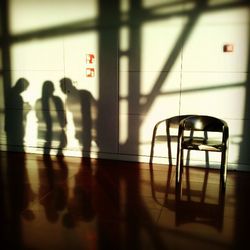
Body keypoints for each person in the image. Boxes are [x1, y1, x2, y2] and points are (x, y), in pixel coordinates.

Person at [60, 77, 96, 158]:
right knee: (87, 149)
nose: (61, 90)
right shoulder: (84, 93)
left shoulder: (70, 98)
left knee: (85, 149)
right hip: (86, 127)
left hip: (86, 127)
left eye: (61, 86)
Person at [35, 81, 67, 155]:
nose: (53, 89)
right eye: (52, 87)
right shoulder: (57, 100)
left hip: (46, 129)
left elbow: (38, 115)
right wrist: (63, 125)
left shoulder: (39, 101)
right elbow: (62, 115)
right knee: (59, 149)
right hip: (57, 128)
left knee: (46, 149)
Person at [5, 77, 31, 151]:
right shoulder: (17, 97)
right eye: (26, 87)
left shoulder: (10, 93)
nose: (25, 90)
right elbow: (19, 115)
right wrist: (27, 110)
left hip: (10, 127)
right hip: (16, 128)